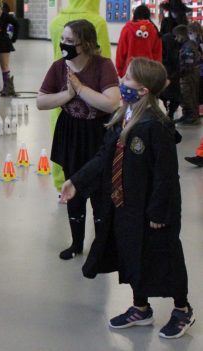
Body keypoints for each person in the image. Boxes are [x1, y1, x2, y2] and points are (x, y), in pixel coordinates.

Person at [61, 58, 195, 339]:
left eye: (128, 79)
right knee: (133, 255)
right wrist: (76, 181)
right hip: (127, 205)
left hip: (155, 210)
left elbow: (166, 176)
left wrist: (159, 214)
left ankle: (182, 309)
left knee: (165, 257)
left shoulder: (156, 126)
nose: (122, 81)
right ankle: (140, 308)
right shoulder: (124, 116)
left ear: (144, 90)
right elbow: (103, 158)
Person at [36, 20, 120, 260]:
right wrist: (67, 95)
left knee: (101, 192)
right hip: (71, 133)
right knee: (74, 187)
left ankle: (102, 245)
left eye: (71, 41)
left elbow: (111, 102)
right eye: (63, 39)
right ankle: (76, 243)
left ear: (87, 43)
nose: (65, 45)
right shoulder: (59, 67)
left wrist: (81, 89)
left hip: (99, 132)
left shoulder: (103, 66)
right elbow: (41, 101)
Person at [48, 0, 112, 196]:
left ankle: (62, 186)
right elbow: (104, 57)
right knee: (93, 140)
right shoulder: (97, 22)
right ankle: (88, 182)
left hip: (61, 86)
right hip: (91, 92)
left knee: (61, 137)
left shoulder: (56, 21)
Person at [115, 4, 161, 78]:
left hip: (129, 70)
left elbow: (121, 51)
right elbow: (157, 54)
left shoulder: (127, 28)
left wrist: (120, 70)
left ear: (135, 14)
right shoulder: (154, 30)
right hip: (148, 71)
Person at [0, 0, 19, 96]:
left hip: (4, 43)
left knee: (4, 66)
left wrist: (14, 38)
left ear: (1, 8)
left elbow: (16, 24)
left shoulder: (6, 16)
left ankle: (7, 88)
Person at [173, 25, 200, 125]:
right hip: (188, 74)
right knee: (186, 95)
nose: (176, 39)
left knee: (189, 95)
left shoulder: (188, 46)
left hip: (189, 75)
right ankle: (187, 115)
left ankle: (192, 116)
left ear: (181, 35)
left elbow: (189, 62)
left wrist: (180, 73)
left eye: (177, 36)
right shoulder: (187, 45)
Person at [188, 21, 203, 113]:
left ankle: (200, 108)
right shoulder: (194, 42)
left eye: (190, 33)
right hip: (197, 70)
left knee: (199, 90)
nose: (190, 35)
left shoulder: (199, 42)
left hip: (200, 70)